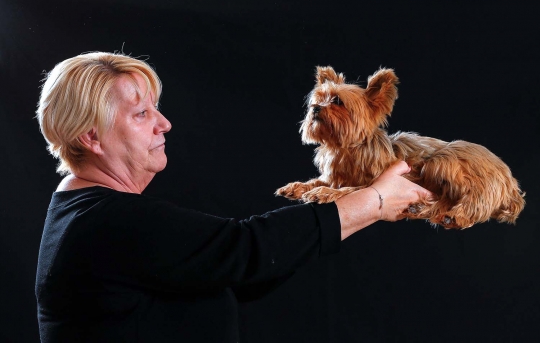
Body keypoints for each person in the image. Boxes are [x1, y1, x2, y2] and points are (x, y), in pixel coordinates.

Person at [35, 52, 432, 342]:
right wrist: (373, 201)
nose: (164, 124)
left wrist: (354, 203)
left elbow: (237, 276)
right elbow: (244, 250)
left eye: (156, 109)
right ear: (91, 137)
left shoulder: (84, 213)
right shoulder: (106, 222)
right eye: (141, 114)